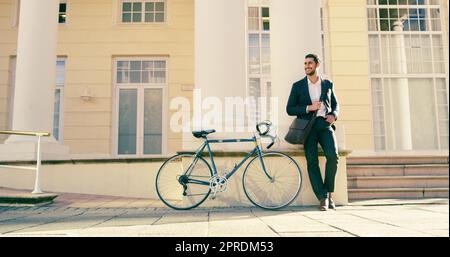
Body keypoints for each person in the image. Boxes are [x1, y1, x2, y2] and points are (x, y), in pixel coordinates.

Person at [286, 53, 340, 211]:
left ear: (317, 65)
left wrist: (334, 115)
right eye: (305, 63)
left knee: (333, 156)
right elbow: (289, 109)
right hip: (307, 128)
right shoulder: (298, 86)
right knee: (312, 162)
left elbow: (336, 104)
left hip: (324, 125)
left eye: (310, 63)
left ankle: (329, 193)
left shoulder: (328, 83)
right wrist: (309, 108)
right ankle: (322, 197)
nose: (306, 66)